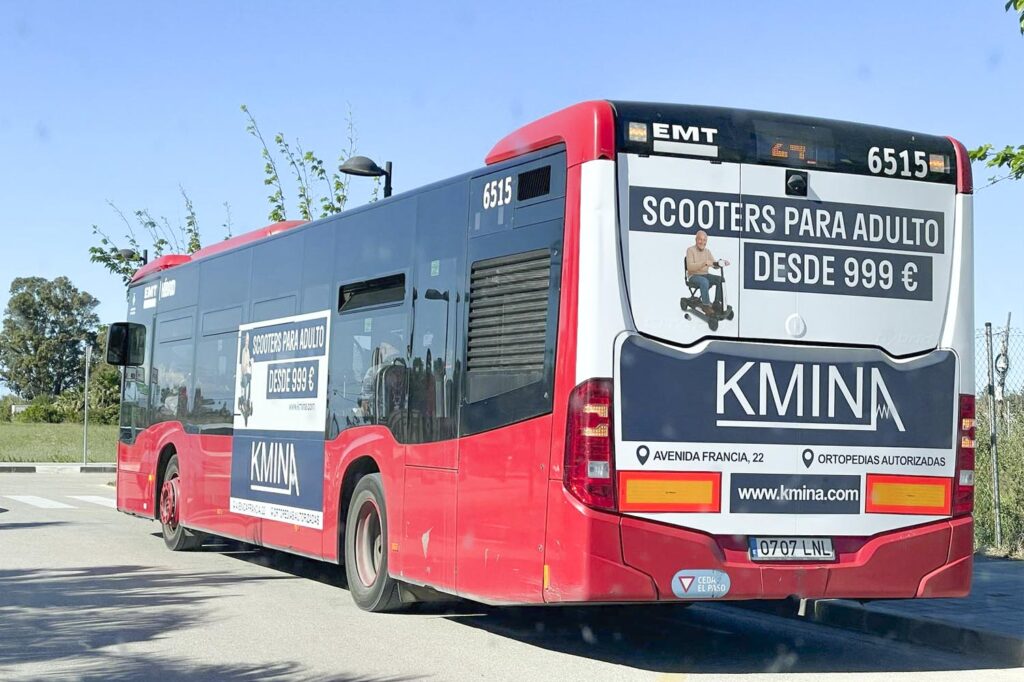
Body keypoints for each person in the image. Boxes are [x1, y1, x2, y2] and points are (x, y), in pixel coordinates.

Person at [685, 230, 730, 314]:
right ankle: (705, 305)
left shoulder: (707, 251)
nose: (702, 242)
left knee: (720, 279)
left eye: (704, 240)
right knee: (704, 281)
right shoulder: (690, 250)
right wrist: (704, 263)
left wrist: (720, 263)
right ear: (696, 239)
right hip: (693, 276)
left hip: (705, 274)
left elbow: (714, 265)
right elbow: (690, 268)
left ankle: (717, 302)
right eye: (700, 239)